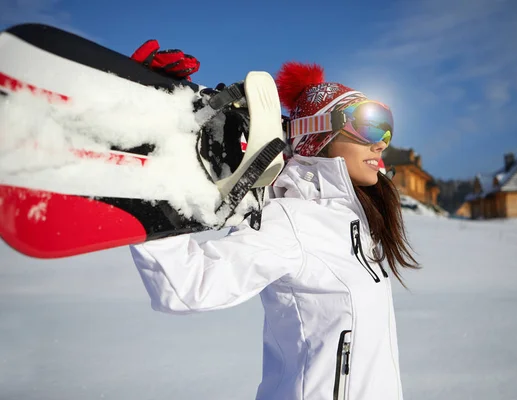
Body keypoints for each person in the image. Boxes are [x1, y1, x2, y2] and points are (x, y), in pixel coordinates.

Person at [130, 60, 418, 400]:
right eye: (370, 125)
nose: (382, 142)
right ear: (319, 134)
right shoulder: (293, 221)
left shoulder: (358, 225)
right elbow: (187, 286)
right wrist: (149, 159)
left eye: (387, 128)